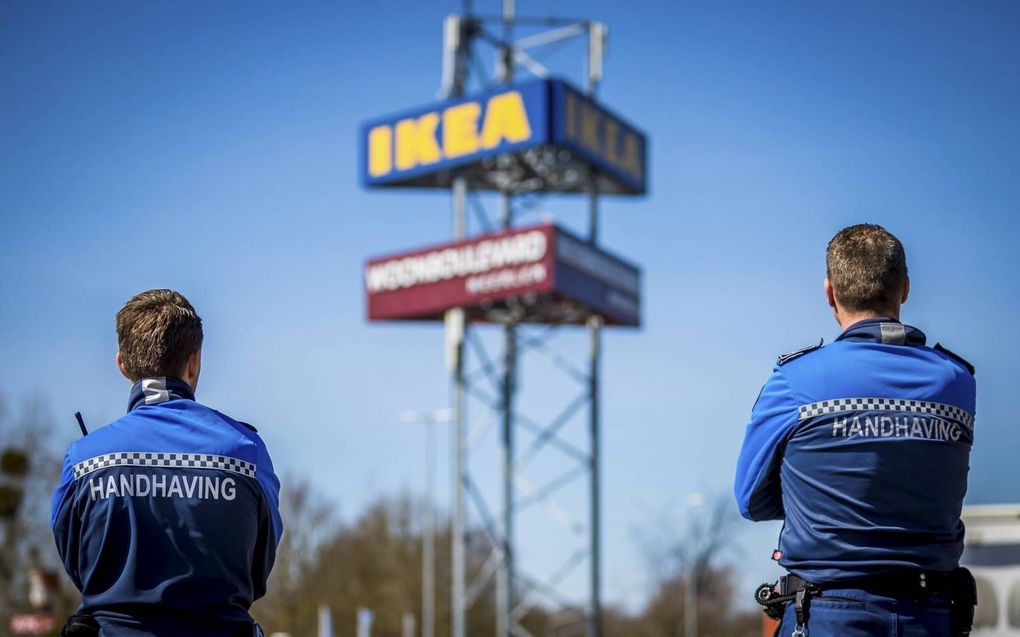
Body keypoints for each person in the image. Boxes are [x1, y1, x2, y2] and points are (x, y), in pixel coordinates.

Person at [734, 224, 977, 636]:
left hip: (828, 613)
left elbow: (751, 500)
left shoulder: (795, 380)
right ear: (905, 288)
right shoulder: (957, 382)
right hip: (933, 614)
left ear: (830, 292)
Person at [51, 289, 283, 637]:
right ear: (194, 362)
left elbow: (77, 564)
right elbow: (258, 567)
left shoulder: (84, 459)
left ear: (122, 365)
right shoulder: (246, 452)